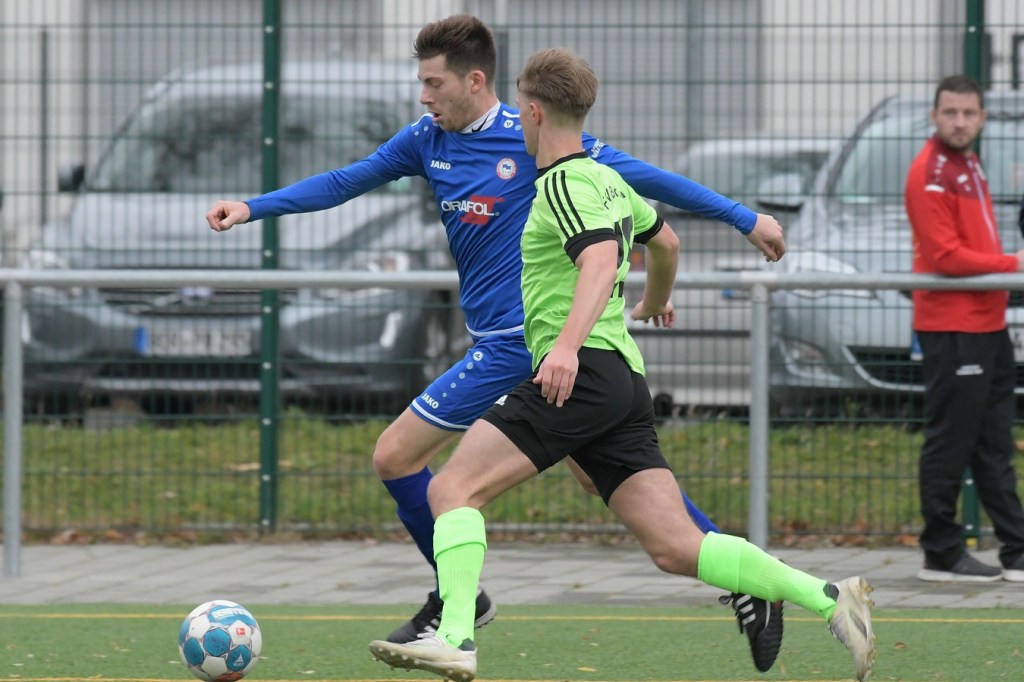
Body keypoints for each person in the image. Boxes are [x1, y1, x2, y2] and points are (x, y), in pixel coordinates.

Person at [206, 14, 786, 669]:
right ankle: (748, 579)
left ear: (474, 81)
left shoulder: (536, 138)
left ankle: (458, 603)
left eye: (434, 83)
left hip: (519, 344)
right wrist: (253, 207)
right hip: (508, 343)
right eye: (421, 82)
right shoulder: (426, 140)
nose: (423, 96)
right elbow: (345, 181)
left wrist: (745, 218)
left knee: (396, 455)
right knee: (601, 478)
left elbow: (646, 181)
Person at [367, 47, 876, 682]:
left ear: (532, 113)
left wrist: (564, 347)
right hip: (621, 381)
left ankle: (455, 637)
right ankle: (828, 598)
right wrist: (656, 301)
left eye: (519, 110)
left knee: (451, 490)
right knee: (676, 546)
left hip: (579, 375)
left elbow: (601, 260)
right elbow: (666, 241)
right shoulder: (609, 182)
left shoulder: (560, 184)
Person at [905, 74, 1024, 583]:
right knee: (950, 441)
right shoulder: (929, 172)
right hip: (953, 327)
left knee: (994, 441)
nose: (959, 122)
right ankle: (940, 552)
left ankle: (1017, 551)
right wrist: (1013, 264)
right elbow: (945, 257)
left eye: (968, 113)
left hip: (988, 323)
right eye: (950, 113)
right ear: (934, 116)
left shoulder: (968, 164)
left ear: (982, 118)